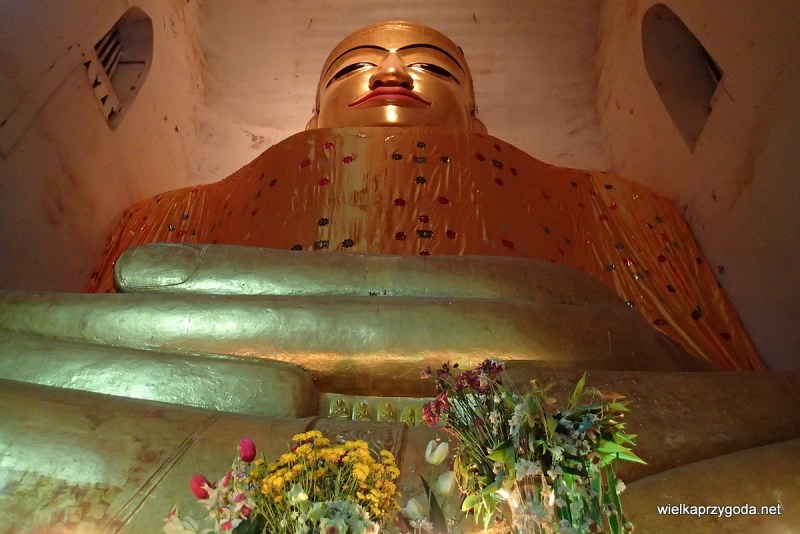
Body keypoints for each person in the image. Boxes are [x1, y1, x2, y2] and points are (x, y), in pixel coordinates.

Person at [1, 21, 793, 532]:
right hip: (220, 398)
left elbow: (687, 360)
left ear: (476, 117)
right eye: (357, 64)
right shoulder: (179, 208)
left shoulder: (607, 200)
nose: (393, 73)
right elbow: (119, 304)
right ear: (313, 115)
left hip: (542, 404)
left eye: (429, 66)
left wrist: (554, 318)